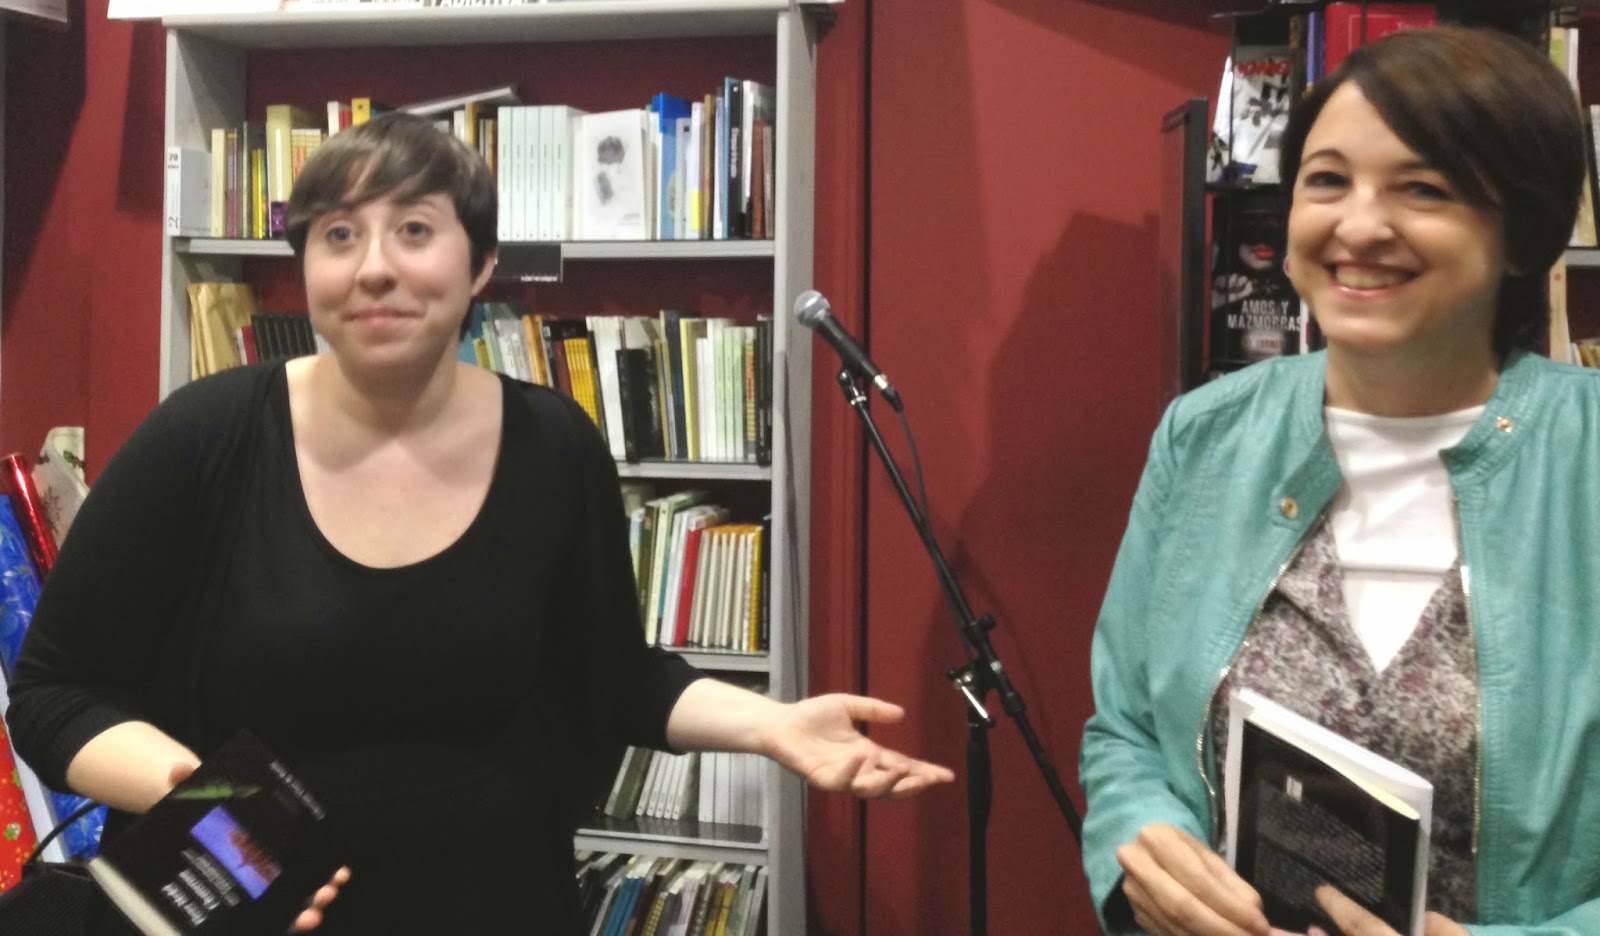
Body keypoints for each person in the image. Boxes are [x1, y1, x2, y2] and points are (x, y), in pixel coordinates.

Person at [6, 111, 952, 933]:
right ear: (305, 264)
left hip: (495, 906)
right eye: (339, 235)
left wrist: (774, 725)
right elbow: (54, 694)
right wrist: (213, 814)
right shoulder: (202, 437)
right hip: (252, 905)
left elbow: (612, 676)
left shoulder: (554, 447)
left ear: (483, 262)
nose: (375, 268)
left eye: (415, 230)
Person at [1079, 25, 1600, 936]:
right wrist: (1145, 851)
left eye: (1423, 189)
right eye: (1327, 181)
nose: (1358, 227)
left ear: (1522, 236)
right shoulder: (1204, 436)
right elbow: (1126, 730)